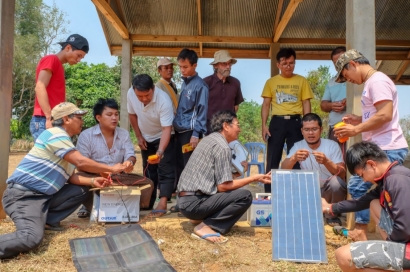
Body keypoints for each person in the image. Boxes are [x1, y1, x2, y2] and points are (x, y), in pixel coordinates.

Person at [0, 102, 127, 259]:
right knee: (31, 237)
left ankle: (47, 220)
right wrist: (111, 169)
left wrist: (93, 181)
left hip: (43, 197)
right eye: (79, 117)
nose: (82, 122)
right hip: (24, 196)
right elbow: (81, 162)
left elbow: (71, 176)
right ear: (66, 119)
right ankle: (37, 223)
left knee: (82, 188)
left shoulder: (65, 142)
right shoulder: (55, 134)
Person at [333, 49, 409, 241]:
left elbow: (385, 115)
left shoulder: (377, 81)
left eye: (345, 75)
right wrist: (359, 119)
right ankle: (387, 236)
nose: (348, 80)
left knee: (358, 186)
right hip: (383, 146)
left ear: (353, 64)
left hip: (387, 147)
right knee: (377, 195)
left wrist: (356, 130)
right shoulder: (372, 83)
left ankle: (362, 231)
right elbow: (378, 114)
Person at [177, 110, 271, 243]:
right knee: (244, 196)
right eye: (238, 125)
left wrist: (238, 173)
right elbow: (223, 187)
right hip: (194, 203)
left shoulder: (209, 140)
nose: (240, 129)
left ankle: (198, 218)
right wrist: (254, 177)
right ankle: (207, 226)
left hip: (185, 202)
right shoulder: (222, 147)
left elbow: (218, 179)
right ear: (226, 126)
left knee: (233, 193)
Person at [321, 141, 410, 272]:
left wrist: (384, 248)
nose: (364, 180)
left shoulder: (397, 181)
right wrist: (330, 208)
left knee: (343, 256)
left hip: (407, 248)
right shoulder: (389, 177)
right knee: (373, 203)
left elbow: (405, 228)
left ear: (371, 164)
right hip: (404, 239)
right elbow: (361, 202)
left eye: (361, 175)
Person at [261, 48, 314, 193]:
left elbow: (306, 103)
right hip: (277, 123)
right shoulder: (271, 82)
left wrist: (307, 124)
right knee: (273, 159)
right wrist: (264, 125)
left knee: (297, 158)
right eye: (285, 64)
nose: (288, 66)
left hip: (296, 122)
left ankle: (295, 193)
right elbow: (266, 104)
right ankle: (269, 194)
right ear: (278, 65)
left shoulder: (302, 80)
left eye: (291, 63)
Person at [281, 113, 346, 226]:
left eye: (314, 129)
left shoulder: (332, 145)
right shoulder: (297, 146)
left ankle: (331, 215)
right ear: (302, 131)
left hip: (328, 191)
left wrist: (326, 161)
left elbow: (342, 174)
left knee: (336, 183)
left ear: (321, 129)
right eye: (307, 129)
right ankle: (312, 211)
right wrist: (294, 158)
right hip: (308, 191)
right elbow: (283, 168)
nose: (310, 133)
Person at [75, 98, 136, 218]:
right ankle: (88, 205)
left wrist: (129, 162)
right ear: (98, 117)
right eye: (109, 114)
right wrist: (103, 171)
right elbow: (82, 164)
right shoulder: (86, 135)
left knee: (145, 183)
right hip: (94, 176)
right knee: (81, 180)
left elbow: (131, 155)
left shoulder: (124, 134)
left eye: (116, 114)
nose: (114, 118)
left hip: (118, 177)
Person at [128, 74, 175, 217]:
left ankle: (163, 202)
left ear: (153, 89)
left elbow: (167, 128)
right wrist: (139, 136)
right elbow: (132, 115)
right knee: (148, 170)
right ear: (134, 90)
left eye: (147, 95)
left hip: (164, 136)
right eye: (139, 96)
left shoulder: (163, 100)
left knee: (165, 168)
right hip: (145, 137)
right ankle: (147, 201)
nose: (143, 99)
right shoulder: (131, 93)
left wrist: (161, 151)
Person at [30, 34, 89, 141]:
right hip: (44, 119)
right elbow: (39, 87)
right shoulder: (51, 59)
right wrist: (49, 118)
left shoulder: (59, 65)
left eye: (82, 57)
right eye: (78, 55)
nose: (79, 60)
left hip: (54, 119)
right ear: (68, 48)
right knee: (47, 157)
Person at [173, 48, 209, 166]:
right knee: (179, 166)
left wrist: (196, 134)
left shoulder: (201, 86)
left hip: (190, 133)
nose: (182, 70)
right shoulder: (184, 83)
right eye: (180, 67)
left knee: (189, 167)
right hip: (179, 131)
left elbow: (202, 111)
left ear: (195, 65)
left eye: (185, 67)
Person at [203, 50, 244, 134]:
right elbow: (200, 108)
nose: (228, 66)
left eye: (229, 63)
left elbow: (236, 106)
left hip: (229, 129)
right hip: (210, 129)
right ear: (215, 66)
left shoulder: (235, 83)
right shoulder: (206, 83)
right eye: (224, 64)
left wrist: (229, 121)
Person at [320, 46, 347, 153]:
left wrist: (350, 103)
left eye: (341, 61)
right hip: (335, 128)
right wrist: (331, 106)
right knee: (336, 162)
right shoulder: (331, 82)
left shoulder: (358, 79)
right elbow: (323, 105)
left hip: (354, 128)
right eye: (335, 63)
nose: (338, 65)